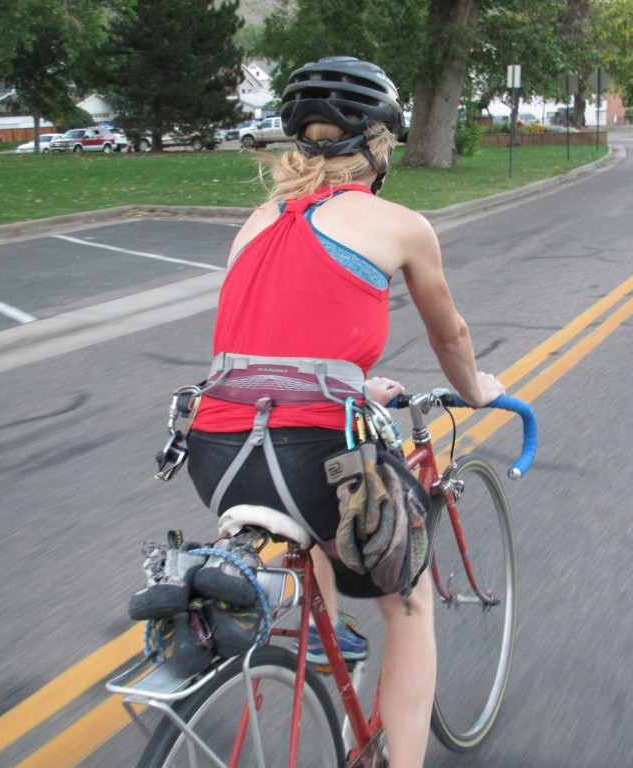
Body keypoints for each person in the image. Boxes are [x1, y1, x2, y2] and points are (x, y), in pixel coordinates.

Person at [184, 55, 504, 768]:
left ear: (299, 142)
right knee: (409, 603)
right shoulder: (399, 223)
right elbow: (449, 335)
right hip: (310, 453)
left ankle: (323, 637)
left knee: (319, 522)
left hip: (215, 452)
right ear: (380, 144)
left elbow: (270, 352)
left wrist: (356, 382)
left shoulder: (256, 221)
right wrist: (477, 391)